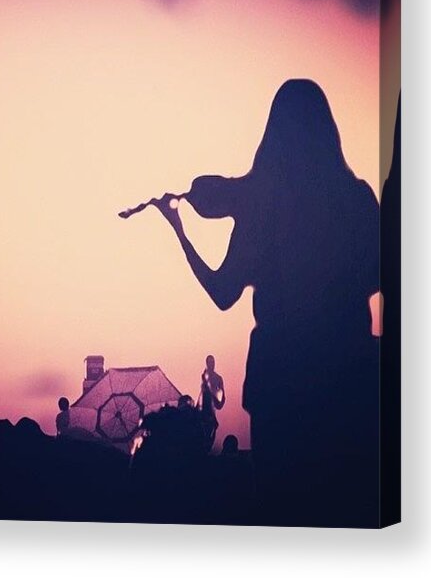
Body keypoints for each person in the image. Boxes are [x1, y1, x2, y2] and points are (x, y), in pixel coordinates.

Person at [152, 79, 380, 525]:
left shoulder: (260, 205)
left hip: (279, 377)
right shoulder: (356, 199)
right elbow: (382, 273)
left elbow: (222, 293)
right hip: (349, 373)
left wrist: (179, 230)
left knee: (282, 512)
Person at [198, 355, 225, 450]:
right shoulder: (204, 377)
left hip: (211, 409)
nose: (211, 365)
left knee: (211, 427)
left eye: (212, 362)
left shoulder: (217, 378)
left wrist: (219, 402)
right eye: (210, 362)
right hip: (205, 409)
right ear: (207, 363)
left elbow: (222, 396)